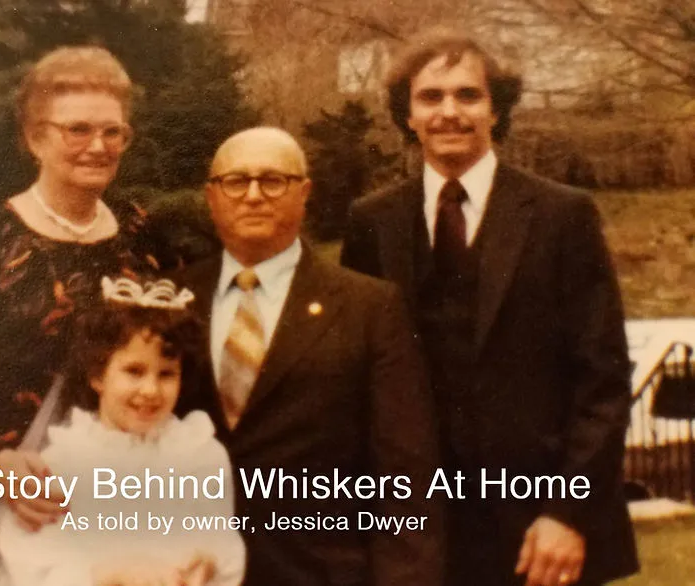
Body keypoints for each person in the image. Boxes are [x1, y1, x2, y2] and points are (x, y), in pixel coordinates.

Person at [341, 28, 638, 586]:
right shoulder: (372, 221)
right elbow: (357, 382)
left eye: (468, 95)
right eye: (431, 97)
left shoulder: (561, 216)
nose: (449, 112)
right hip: (418, 532)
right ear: (407, 114)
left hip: (539, 532)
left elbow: (603, 379)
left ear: (496, 108)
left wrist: (568, 515)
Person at [0, 45, 156, 585]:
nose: (99, 146)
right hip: (3, 520)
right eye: (78, 130)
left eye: (114, 132)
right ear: (34, 138)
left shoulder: (141, 237)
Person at [178, 127, 443, 586]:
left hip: (319, 571)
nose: (254, 195)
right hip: (184, 570)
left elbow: (406, 469)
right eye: (236, 181)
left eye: (273, 180)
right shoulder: (168, 298)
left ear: (304, 193)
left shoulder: (369, 306)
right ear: (211, 196)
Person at [0, 277, 245, 586]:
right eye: (134, 371)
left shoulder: (199, 453)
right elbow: (31, 565)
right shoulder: (63, 460)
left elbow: (222, 542)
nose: (151, 390)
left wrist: (206, 561)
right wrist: (108, 574)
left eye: (166, 374)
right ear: (98, 376)